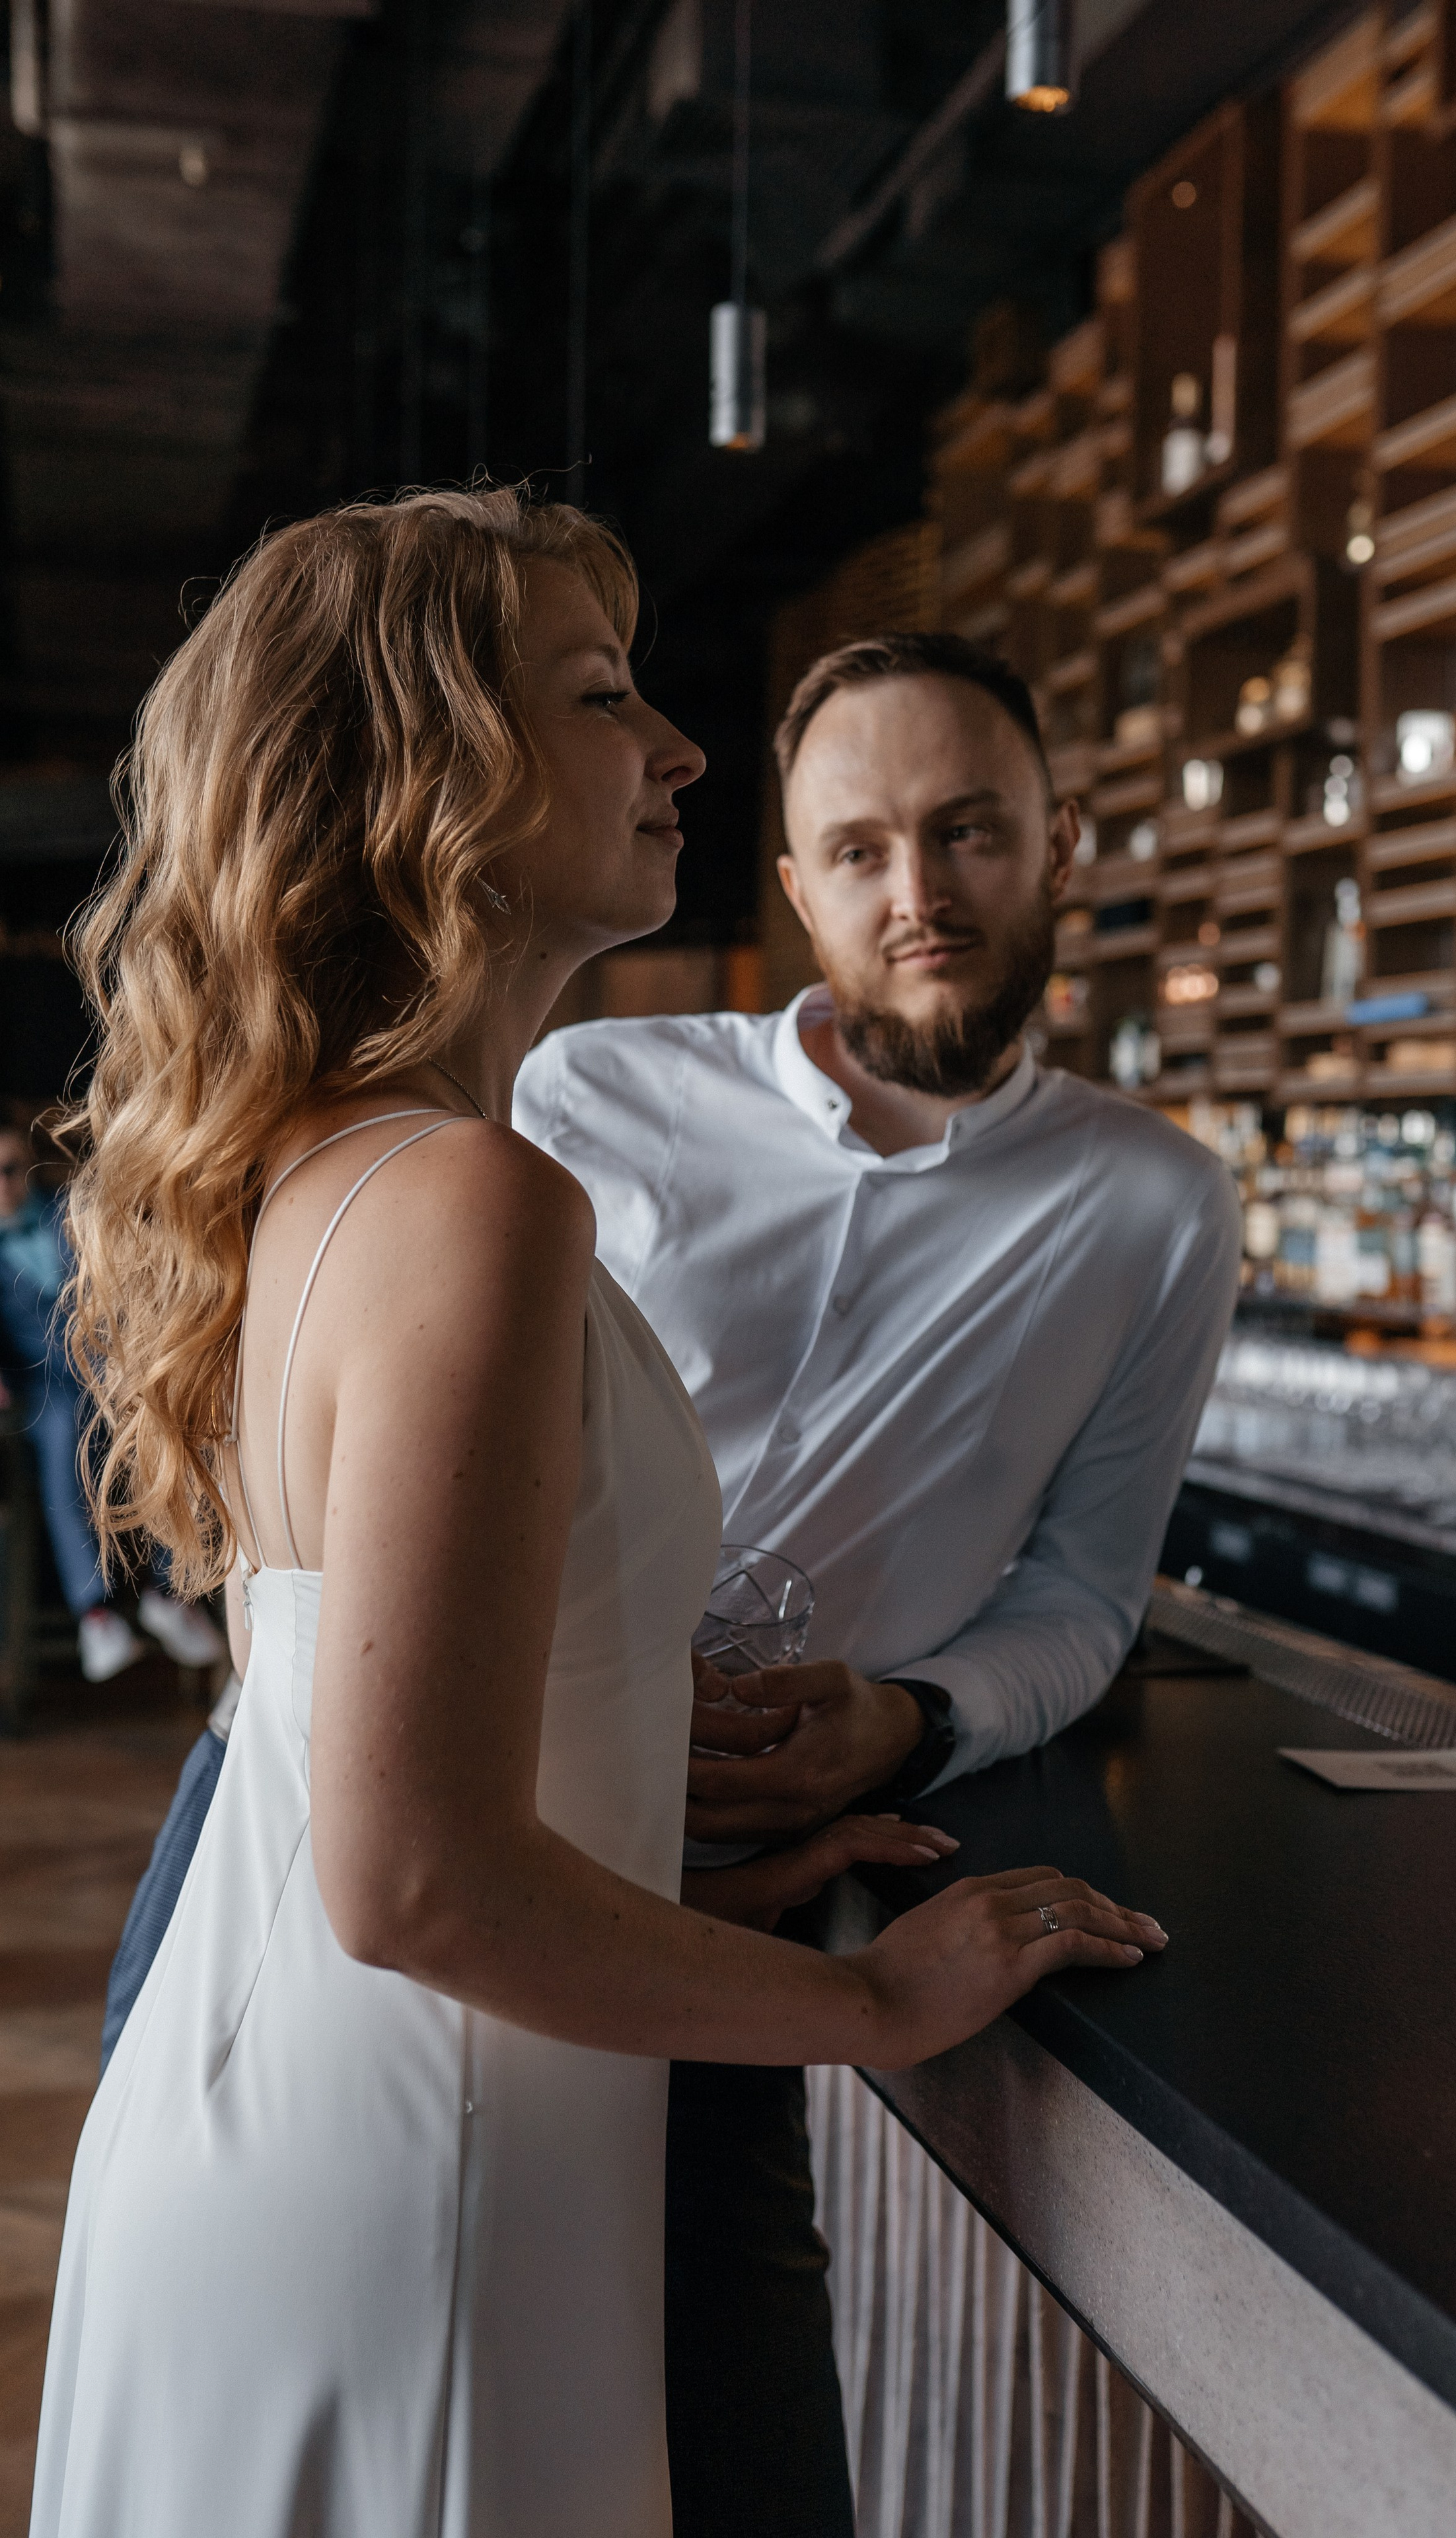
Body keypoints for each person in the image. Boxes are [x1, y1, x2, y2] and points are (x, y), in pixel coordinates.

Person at [32, 489, 1160, 2538]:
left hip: (319, 2100)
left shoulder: (339, 1164)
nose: (679, 750)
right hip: (419, 2168)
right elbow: (414, 1877)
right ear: (427, 774)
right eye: (601, 694)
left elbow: (373, 1787)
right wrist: (868, 1998)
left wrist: (709, 1895)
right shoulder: (476, 1198)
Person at [514, 630, 1241, 2537]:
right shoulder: (588, 1099)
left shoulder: (1156, 1202)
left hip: (729, 1926)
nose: (916, 897)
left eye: (968, 831)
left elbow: (1088, 1597)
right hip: (470, 1841)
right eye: (859, 849)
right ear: (794, 881)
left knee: (741, 2479)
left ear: (1062, 839)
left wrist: (910, 1721)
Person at [0, 1121, 223, 1682]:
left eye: (11, 1170)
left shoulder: (72, 1213)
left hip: (107, 1361)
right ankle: (94, 1612)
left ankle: (170, 1588)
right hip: (41, 1383)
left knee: (160, 1410)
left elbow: (126, 1278)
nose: (3, 1185)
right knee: (59, 1435)